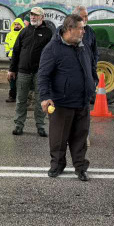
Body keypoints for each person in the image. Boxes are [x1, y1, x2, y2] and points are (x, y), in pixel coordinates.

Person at [38, 14, 96, 180]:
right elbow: (43, 75)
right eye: (80, 28)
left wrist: (93, 82)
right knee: (59, 138)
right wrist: (45, 96)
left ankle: (80, 167)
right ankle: (57, 165)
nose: (84, 31)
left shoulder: (83, 46)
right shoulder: (53, 48)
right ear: (70, 29)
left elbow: (91, 65)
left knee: (80, 137)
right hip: (61, 102)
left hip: (82, 101)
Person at [8, 7, 52, 137]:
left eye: (36, 15)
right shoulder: (24, 32)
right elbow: (16, 51)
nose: (32, 17)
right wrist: (12, 69)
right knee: (21, 100)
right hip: (23, 72)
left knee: (40, 100)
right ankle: (18, 125)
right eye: (31, 15)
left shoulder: (48, 33)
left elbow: (51, 54)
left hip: (40, 72)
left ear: (42, 17)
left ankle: (41, 126)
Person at [4, 18, 25, 102]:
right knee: (12, 77)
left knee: (21, 77)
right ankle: (12, 95)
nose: (16, 26)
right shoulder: (9, 34)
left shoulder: (24, 33)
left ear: (21, 25)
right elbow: (6, 44)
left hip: (22, 59)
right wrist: (7, 52)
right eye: (15, 24)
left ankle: (21, 96)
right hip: (12, 58)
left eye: (18, 24)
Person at [74, 6, 98, 73]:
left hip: (86, 72)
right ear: (76, 17)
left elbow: (95, 52)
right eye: (84, 16)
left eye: (87, 16)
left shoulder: (90, 31)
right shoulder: (63, 30)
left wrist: (93, 67)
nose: (87, 19)